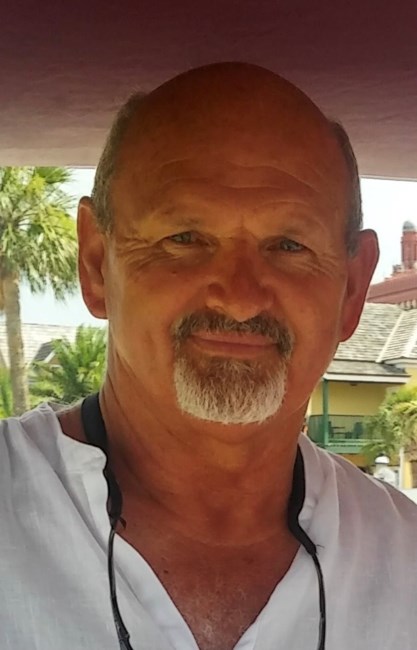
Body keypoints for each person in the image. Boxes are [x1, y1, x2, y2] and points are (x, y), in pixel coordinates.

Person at [1, 62, 417, 650]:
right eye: (185, 239)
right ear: (96, 264)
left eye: (289, 245)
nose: (240, 298)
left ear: (352, 290)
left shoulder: (405, 562)